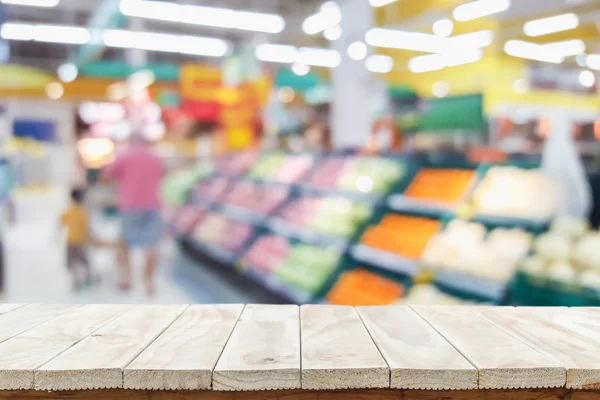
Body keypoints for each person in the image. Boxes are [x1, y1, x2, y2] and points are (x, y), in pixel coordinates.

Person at [102, 133, 164, 295]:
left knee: (124, 243)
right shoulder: (155, 158)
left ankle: (126, 277)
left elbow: (107, 175)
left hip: (130, 206)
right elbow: (161, 176)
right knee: (151, 244)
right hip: (152, 205)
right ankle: (149, 282)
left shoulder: (124, 156)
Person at [61, 189, 92, 289]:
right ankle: (87, 278)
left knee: (72, 262)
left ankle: (76, 281)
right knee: (84, 261)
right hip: (80, 242)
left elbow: (62, 223)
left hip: (70, 241)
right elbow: (86, 227)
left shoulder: (68, 211)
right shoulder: (83, 212)